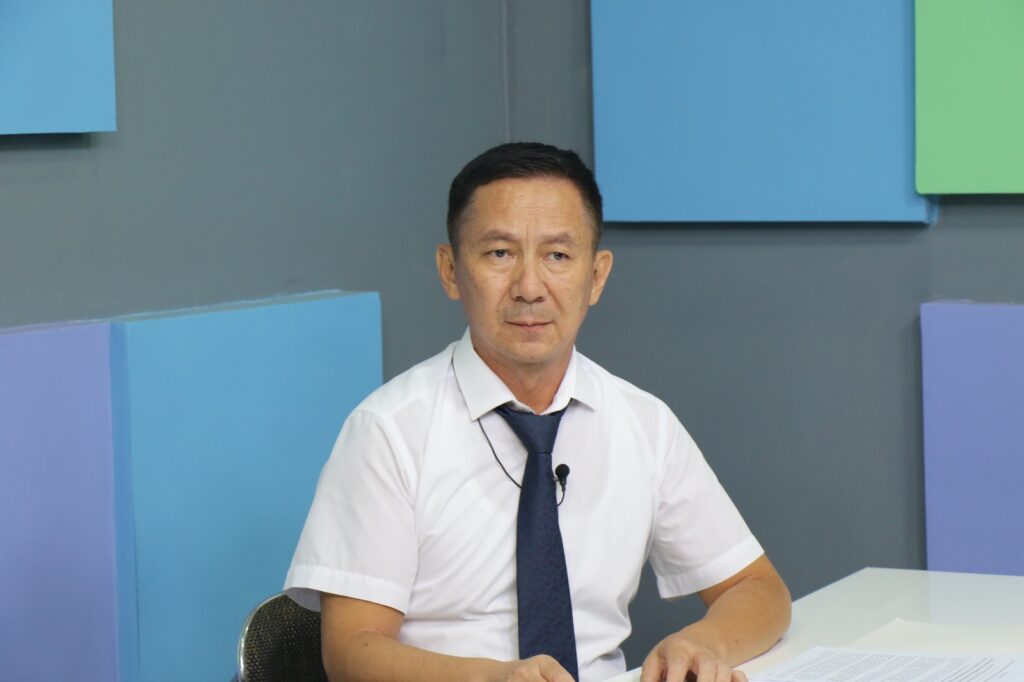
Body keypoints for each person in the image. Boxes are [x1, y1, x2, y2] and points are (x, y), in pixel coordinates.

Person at [284, 142, 791, 682]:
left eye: (558, 256)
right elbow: (351, 651)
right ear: (450, 271)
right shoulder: (388, 431)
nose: (529, 288)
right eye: (500, 254)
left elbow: (759, 589)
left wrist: (702, 643)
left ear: (596, 276)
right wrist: (492, 679)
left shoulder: (644, 422)